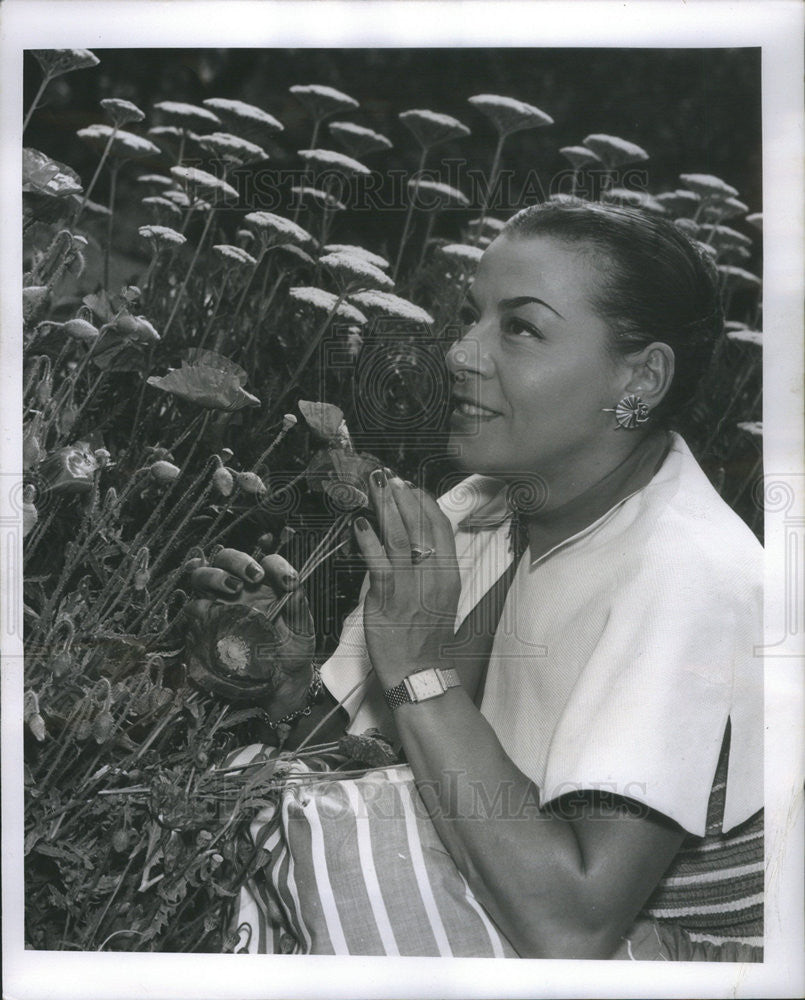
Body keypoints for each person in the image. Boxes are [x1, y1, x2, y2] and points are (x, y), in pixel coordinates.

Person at [184, 201, 764, 960]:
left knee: (334, 839)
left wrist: (417, 667)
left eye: (519, 328)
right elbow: (361, 760)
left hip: (686, 957)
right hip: (527, 897)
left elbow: (571, 926)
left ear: (640, 379)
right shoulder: (480, 503)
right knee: (250, 787)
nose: (459, 353)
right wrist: (285, 685)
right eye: (472, 317)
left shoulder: (693, 571)